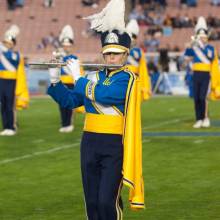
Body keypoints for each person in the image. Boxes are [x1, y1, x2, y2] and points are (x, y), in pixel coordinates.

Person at [48, 0, 145, 219]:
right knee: (92, 200)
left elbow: (104, 95)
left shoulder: (128, 78)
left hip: (114, 145)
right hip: (89, 142)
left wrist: (78, 78)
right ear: (103, 54)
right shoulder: (94, 77)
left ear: (125, 54)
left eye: (117, 53)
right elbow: (71, 101)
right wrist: (55, 81)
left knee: (106, 201)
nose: (112, 57)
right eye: (108, 53)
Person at [184, 16, 219, 128]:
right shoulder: (194, 48)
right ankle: (198, 119)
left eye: (204, 37)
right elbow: (186, 59)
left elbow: (211, 59)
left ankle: (206, 118)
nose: (202, 39)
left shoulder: (210, 48)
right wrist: (190, 46)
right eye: (200, 37)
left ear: (206, 38)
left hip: (206, 75)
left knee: (203, 97)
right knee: (196, 97)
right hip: (196, 74)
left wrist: (198, 46)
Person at [0, 25, 29, 136]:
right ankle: (6, 127)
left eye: (8, 43)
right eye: (5, 42)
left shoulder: (16, 54)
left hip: (11, 82)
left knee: (10, 105)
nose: (6, 44)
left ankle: (11, 127)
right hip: (1, 81)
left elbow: (11, 58)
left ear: (12, 44)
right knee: (3, 105)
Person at [53, 25, 80, 133]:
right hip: (61, 83)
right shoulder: (59, 56)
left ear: (71, 46)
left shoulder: (74, 58)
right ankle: (64, 124)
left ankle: (69, 124)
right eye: (64, 45)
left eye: (68, 46)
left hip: (71, 84)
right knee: (61, 105)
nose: (66, 47)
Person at [126, 19, 151, 101]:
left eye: (134, 37)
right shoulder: (121, 49)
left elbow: (143, 70)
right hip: (123, 78)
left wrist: (145, 86)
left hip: (135, 79)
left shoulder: (139, 51)